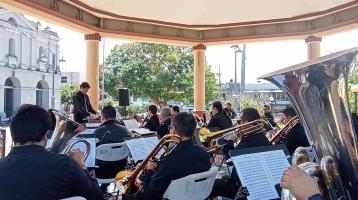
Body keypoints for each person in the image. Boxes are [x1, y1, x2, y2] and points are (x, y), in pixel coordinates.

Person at [0, 104, 103, 200]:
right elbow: (97, 196)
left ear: (12, 134)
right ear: (45, 136)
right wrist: (81, 165)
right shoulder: (66, 164)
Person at [123, 112, 211, 200]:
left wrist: (150, 170)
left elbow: (150, 194)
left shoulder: (169, 160)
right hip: (196, 196)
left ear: (173, 129)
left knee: (127, 192)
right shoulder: (204, 154)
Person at [210, 108, 271, 199]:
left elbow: (231, 161)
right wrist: (224, 149)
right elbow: (239, 154)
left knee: (212, 185)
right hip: (254, 184)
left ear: (246, 122)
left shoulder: (248, 140)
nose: (239, 125)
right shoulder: (261, 137)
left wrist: (230, 142)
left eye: (241, 121)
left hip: (244, 189)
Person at [94, 106, 131, 193]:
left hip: (100, 173)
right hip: (120, 171)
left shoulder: (98, 132)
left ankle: (96, 191)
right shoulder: (125, 130)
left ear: (102, 117)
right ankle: (105, 187)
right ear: (115, 117)